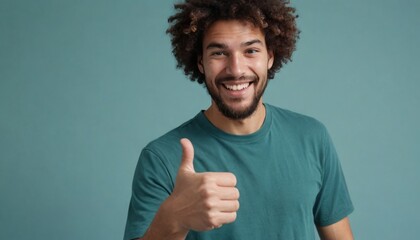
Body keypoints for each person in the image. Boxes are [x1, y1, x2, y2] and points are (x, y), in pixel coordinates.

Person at [124, 0, 354, 239]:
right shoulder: (161, 158)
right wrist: (174, 218)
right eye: (219, 53)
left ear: (270, 57)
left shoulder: (312, 137)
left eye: (251, 50)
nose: (235, 69)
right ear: (201, 62)